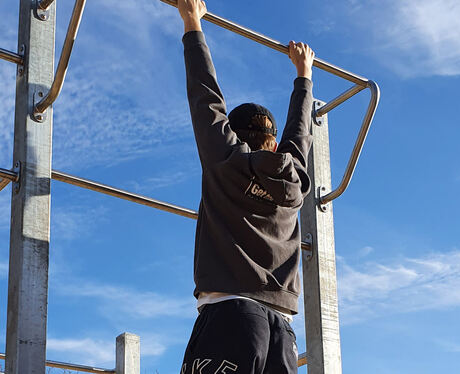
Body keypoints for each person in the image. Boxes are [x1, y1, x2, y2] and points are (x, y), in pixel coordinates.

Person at [177, 0, 315, 373]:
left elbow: (205, 98)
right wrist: (305, 75)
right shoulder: (295, 181)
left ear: (234, 136)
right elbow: (300, 136)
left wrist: (193, 23)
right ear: (274, 145)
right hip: (281, 331)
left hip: (230, 316)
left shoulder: (226, 162)